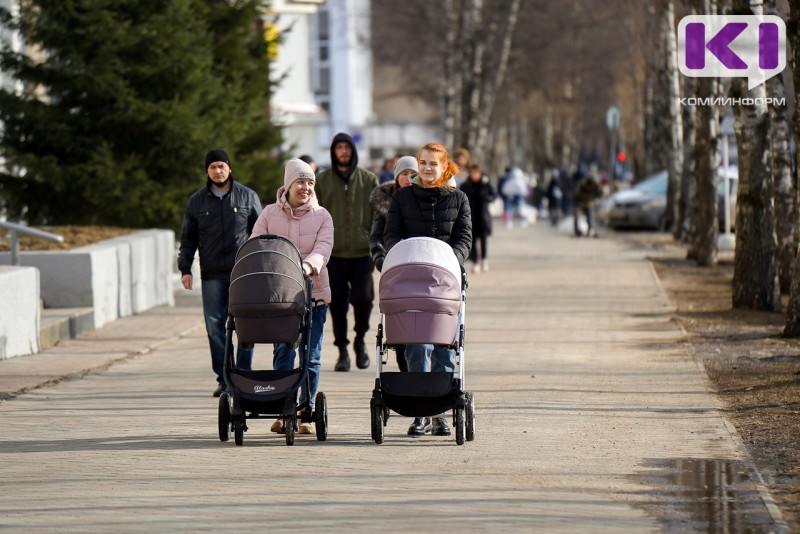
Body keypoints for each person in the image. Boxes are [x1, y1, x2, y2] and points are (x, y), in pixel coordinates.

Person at [385, 142, 472, 437]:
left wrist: (449, 261)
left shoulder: (458, 199)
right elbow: (392, 235)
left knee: (444, 346)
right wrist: (402, 258)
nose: (426, 168)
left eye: (433, 163)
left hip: (445, 282)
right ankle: (419, 410)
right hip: (412, 282)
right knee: (416, 345)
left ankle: (439, 412)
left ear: (444, 166)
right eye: (423, 163)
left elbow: (464, 239)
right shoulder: (403, 198)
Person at [250, 158, 333, 435]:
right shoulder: (269, 214)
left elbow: (323, 248)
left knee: (311, 356)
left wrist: (306, 266)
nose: (306, 187)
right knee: (284, 352)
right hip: (280, 299)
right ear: (288, 184)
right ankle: (284, 409)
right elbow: (256, 244)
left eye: (310, 182)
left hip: (314, 296)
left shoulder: (322, 216)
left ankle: (306, 412)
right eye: (300, 181)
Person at [178, 149, 262, 397]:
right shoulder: (196, 202)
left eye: (221, 166)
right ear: (207, 171)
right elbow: (187, 239)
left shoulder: (248, 196)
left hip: (243, 273)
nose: (218, 171)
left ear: (229, 168)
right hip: (212, 274)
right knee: (215, 326)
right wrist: (185, 268)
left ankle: (244, 375)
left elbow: (262, 233)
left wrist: (262, 267)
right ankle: (225, 378)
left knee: (246, 324)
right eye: (213, 167)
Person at [314, 132, 379, 371]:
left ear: (353, 151)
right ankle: (342, 350)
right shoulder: (322, 181)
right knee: (337, 304)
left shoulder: (368, 179)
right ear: (333, 152)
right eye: (339, 147)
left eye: (347, 147)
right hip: (333, 255)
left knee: (364, 299)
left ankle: (360, 341)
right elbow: (315, 214)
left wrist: (374, 242)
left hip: (362, 253)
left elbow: (377, 217)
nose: (343, 151)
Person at [369, 155, 417, 372]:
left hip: (419, 266)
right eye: (404, 174)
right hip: (394, 268)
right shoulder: (384, 201)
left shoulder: (421, 199)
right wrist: (381, 260)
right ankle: (402, 360)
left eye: (412, 174)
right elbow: (375, 237)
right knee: (398, 315)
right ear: (396, 176)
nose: (408, 178)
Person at [459, 164, 497, 274]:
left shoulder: (485, 184)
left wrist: (487, 198)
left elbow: (493, 195)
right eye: (473, 172)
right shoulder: (465, 185)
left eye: (477, 173)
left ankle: (484, 260)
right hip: (470, 217)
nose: (475, 175)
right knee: (472, 241)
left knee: (484, 241)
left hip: (483, 217)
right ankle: (476, 262)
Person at [573, 169, 602, 238]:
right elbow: (576, 194)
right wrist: (576, 203)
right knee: (577, 217)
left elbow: (600, 193)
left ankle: (590, 230)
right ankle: (577, 231)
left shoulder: (595, 185)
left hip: (589, 203)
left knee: (590, 218)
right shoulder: (582, 185)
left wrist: (596, 198)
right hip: (581, 203)